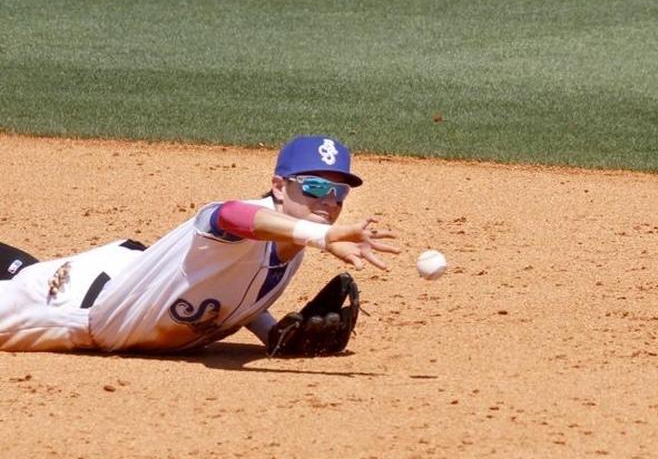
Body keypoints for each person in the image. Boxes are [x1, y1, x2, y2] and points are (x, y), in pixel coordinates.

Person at [0, 135, 400, 353]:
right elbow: (227, 215)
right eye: (313, 187)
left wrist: (272, 332)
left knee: (23, 271)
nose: (328, 202)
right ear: (278, 186)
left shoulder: (290, 242)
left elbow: (228, 288)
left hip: (125, 277)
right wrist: (324, 236)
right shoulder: (253, 221)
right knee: (22, 284)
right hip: (70, 305)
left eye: (339, 192)